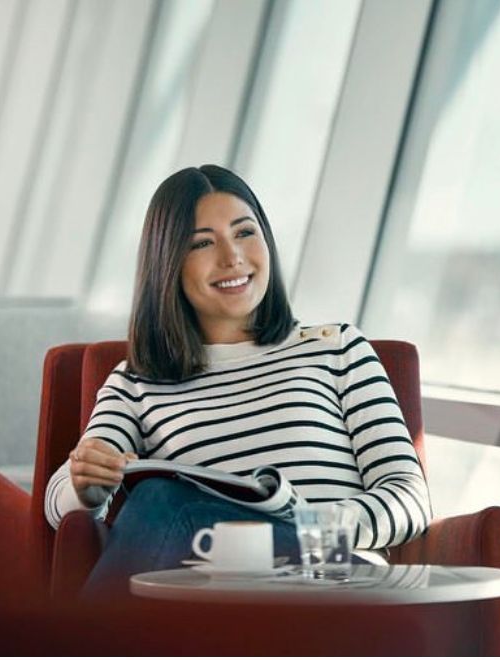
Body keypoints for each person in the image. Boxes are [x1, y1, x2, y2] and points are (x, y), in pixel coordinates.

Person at [44, 165, 432, 597]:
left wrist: (301, 524)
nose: (232, 257)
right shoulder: (137, 382)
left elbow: (409, 500)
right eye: (203, 243)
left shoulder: (337, 348)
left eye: (245, 233)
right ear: (167, 263)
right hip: (216, 598)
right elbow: (58, 504)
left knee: (156, 500)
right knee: (156, 501)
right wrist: (87, 484)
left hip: (331, 578)